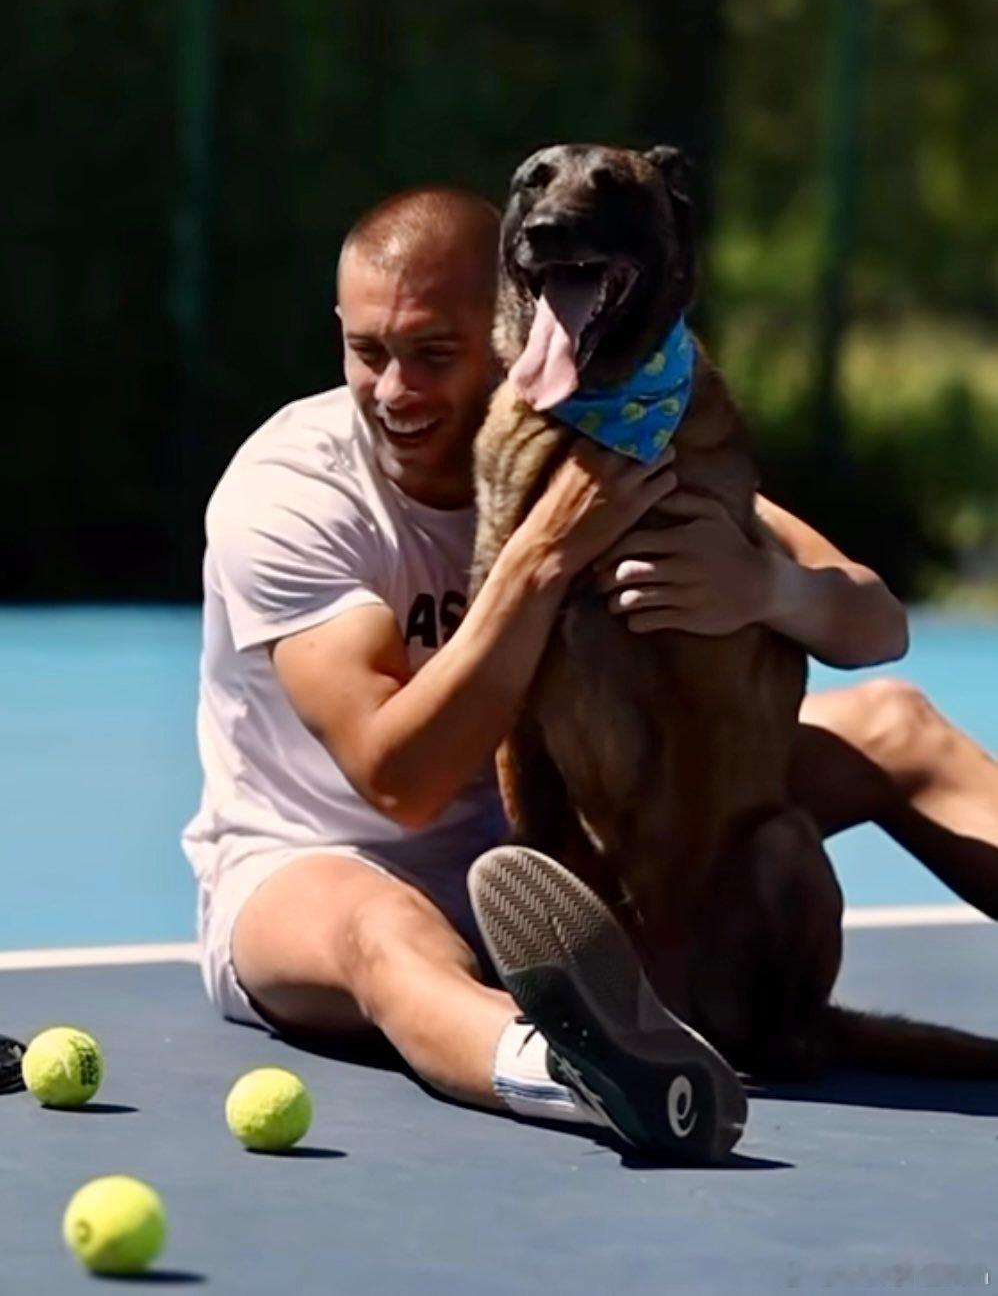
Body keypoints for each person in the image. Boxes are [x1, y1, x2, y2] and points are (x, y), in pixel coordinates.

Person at [182, 186, 998, 1161]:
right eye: (368, 352)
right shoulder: (293, 491)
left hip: (570, 850)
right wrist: (541, 553)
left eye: (433, 355)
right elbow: (399, 781)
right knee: (380, 932)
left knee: (893, 723)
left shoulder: (600, 434)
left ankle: (606, 988)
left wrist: (765, 587)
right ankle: (592, 1075)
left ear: (517, 330)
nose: (395, 390)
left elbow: (876, 625)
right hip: (329, 858)